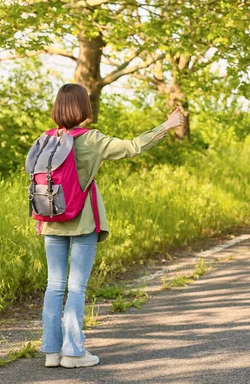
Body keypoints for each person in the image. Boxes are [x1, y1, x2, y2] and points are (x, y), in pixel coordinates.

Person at [36, 83, 184, 368]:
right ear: (83, 108)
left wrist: (39, 219)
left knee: (54, 286)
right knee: (76, 288)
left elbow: (37, 183)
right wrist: (167, 125)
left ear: (57, 107)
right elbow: (132, 147)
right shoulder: (90, 139)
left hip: (51, 221)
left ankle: (51, 352)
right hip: (82, 221)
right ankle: (74, 352)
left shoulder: (45, 139)